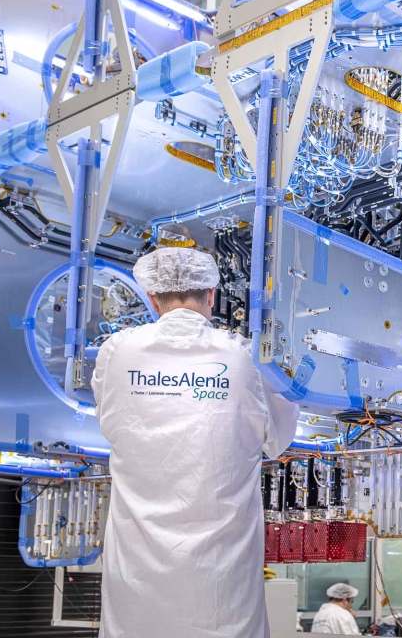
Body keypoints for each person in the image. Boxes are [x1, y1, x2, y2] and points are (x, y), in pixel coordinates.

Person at [91, 247, 301, 638]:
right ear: (212, 294)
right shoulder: (242, 356)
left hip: (137, 570)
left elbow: (109, 420)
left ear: (152, 298)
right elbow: (278, 438)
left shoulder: (116, 351)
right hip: (221, 575)